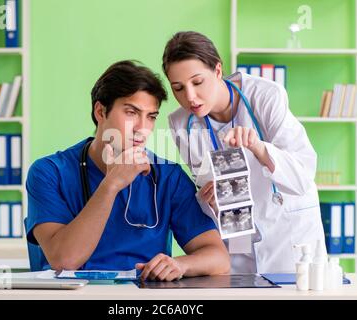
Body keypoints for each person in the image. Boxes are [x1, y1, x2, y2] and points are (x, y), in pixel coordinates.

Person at [25, 60, 230, 281]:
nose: (143, 129)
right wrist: (111, 185)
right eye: (131, 112)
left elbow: (218, 257)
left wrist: (181, 265)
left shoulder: (167, 177)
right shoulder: (49, 172)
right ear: (100, 112)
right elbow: (64, 260)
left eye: (151, 117)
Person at [162, 31, 325, 273]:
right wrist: (210, 200)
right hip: (237, 232)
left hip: (289, 231)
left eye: (197, 82)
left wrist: (259, 148)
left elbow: (302, 177)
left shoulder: (266, 96)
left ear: (218, 71)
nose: (190, 97)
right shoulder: (181, 122)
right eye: (178, 88)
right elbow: (205, 186)